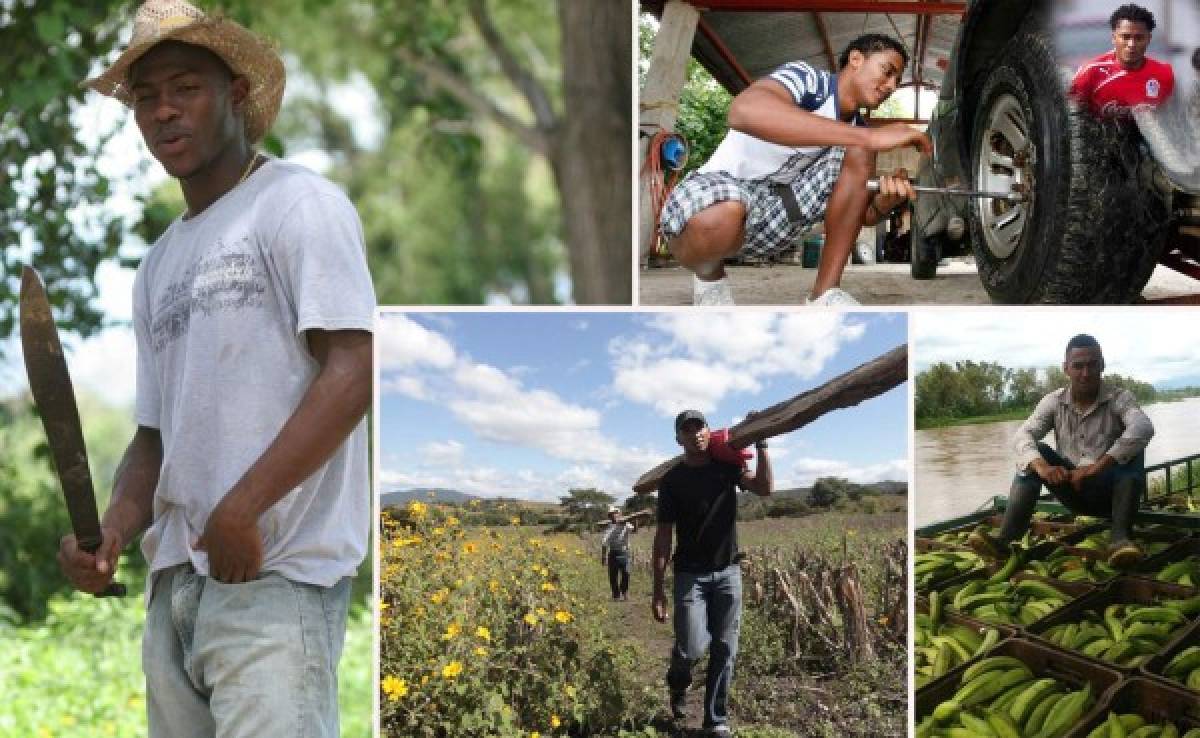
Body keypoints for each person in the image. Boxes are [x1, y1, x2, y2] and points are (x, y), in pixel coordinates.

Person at [57, 2, 375, 736]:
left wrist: (242, 507)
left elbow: (352, 371)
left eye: (185, 88)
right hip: (174, 587)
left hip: (274, 578)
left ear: (236, 95)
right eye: (145, 98)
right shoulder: (158, 263)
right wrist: (111, 529)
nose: (164, 111)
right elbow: (152, 436)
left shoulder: (298, 205)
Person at [659, 34, 931, 306]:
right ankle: (710, 280)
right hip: (718, 198)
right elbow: (742, 111)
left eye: (897, 81)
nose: (892, 86)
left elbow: (863, 215)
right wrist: (869, 137)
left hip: (775, 217)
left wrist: (884, 203)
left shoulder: (857, 138)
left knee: (858, 147)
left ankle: (824, 294)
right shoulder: (810, 82)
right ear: (856, 59)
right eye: (888, 72)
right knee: (721, 216)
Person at [968, 335, 1155, 568]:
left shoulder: (1119, 398)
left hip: (1113, 494)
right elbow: (1022, 435)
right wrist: (1042, 467)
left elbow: (1143, 427)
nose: (1085, 373)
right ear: (1066, 368)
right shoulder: (1053, 401)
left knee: (1133, 449)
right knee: (1034, 453)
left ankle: (1120, 538)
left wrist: (1094, 468)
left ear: (1102, 365)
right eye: (1078, 366)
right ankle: (1005, 541)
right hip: (1072, 492)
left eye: (1092, 364)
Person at [652, 410, 772, 736]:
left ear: (708, 432)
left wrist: (762, 443)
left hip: (728, 572)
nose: (695, 434)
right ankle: (679, 677)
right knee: (692, 646)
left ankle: (714, 721)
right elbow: (663, 536)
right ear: (679, 439)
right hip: (690, 575)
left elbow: (763, 488)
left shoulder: (727, 468)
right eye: (686, 430)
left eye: (699, 427)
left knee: (725, 648)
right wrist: (658, 589)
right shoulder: (672, 481)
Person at [1069, 3, 1175, 119]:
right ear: (1114, 38)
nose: (1131, 44)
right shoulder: (1089, 73)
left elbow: (1168, 120)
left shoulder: (1164, 74)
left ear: (1149, 39)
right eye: (1125, 37)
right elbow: (1072, 120)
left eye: (1139, 38)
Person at [600, 506, 638, 600]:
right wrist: (603, 557)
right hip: (613, 553)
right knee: (613, 576)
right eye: (611, 514)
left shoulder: (626, 524)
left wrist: (635, 519)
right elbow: (604, 543)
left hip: (624, 553)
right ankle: (616, 594)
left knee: (626, 573)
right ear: (609, 516)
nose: (614, 515)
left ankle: (624, 592)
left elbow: (635, 530)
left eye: (615, 513)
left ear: (619, 514)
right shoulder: (609, 527)